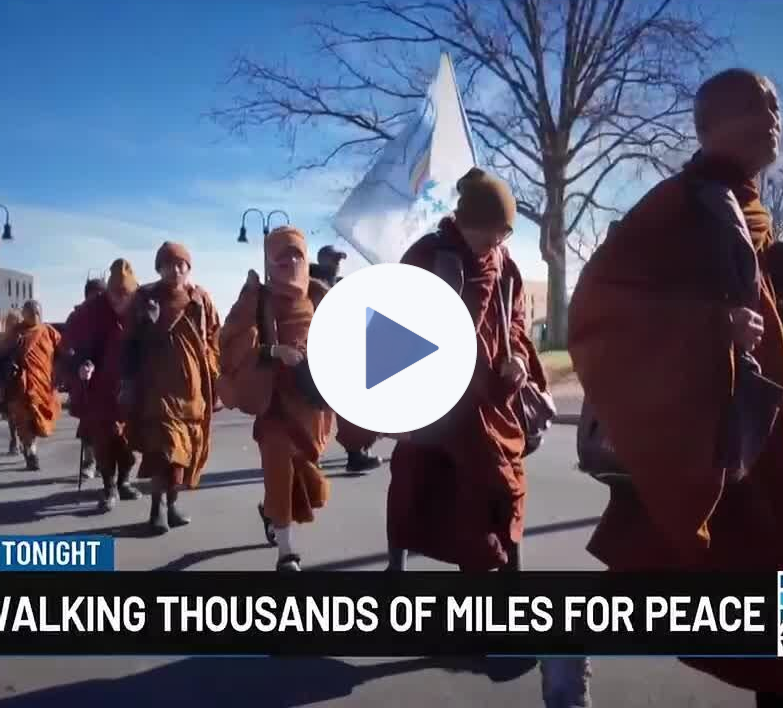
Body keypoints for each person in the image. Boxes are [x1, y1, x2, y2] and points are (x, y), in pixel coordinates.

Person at [567, 68, 783, 708]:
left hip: (768, 427)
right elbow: (598, 308)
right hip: (709, 434)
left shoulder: (750, 208)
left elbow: (753, 297)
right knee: (678, 571)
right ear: (711, 124)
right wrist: (710, 327)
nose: (772, 117)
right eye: (755, 105)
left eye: (776, 105)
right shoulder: (677, 205)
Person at [384, 167, 547, 575]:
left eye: (504, 234)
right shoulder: (428, 256)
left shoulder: (504, 263)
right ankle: (396, 567)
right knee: (416, 488)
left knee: (501, 487)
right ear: (466, 222)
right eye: (491, 232)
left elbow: (515, 322)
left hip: (491, 397)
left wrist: (519, 359)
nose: (497, 242)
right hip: (436, 397)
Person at [220, 226, 333, 571]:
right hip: (274, 403)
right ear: (269, 261)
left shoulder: (321, 295)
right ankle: (286, 553)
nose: (291, 262)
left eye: (297, 255)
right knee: (278, 473)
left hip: (312, 404)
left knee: (313, 488)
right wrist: (274, 351)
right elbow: (231, 343)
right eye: (282, 257)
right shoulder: (258, 298)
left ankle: (270, 512)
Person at [120, 242, 222, 535]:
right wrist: (146, 325)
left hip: (192, 391)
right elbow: (129, 343)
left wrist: (215, 376)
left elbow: (214, 339)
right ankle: (158, 508)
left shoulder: (200, 299)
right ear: (159, 268)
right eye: (168, 265)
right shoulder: (145, 298)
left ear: (189, 268)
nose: (175, 270)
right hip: (157, 388)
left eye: (181, 265)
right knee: (164, 450)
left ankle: (173, 504)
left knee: (186, 451)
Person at [69, 259, 143, 511]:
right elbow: (75, 346)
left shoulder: (142, 308)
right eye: (115, 294)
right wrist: (83, 363)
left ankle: (124, 482)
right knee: (104, 440)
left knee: (129, 443)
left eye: (125, 294)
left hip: (133, 387)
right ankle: (109, 487)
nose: (119, 300)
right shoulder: (92, 312)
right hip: (102, 388)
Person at [309, 244, 380, 473]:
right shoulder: (309, 285)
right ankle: (313, 456)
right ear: (322, 259)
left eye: (339, 259)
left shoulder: (339, 284)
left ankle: (355, 453)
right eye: (334, 259)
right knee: (314, 411)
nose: (338, 263)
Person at [4, 300, 62, 471]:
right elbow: (1, 354)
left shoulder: (49, 332)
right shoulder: (16, 332)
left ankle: (30, 446)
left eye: (37, 313)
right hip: (21, 385)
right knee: (24, 420)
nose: (35, 316)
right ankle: (31, 453)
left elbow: (62, 352)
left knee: (40, 420)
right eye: (31, 313)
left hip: (43, 385)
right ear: (24, 314)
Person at [66, 277, 108, 480]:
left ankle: (105, 463)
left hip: (108, 376)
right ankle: (89, 461)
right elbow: (67, 348)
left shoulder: (113, 314)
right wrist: (79, 366)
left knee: (109, 424)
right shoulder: (77, 317)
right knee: (88, 422)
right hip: (85, 378)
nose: (98, 299)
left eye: (102, 295)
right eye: (94, 295)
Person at [0, 311, 24, 455]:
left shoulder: (25, 337)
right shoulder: (3, 340)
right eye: (11, 321)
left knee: (22, 413)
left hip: (22, 380)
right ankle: (14, 439)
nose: (14, 324)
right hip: (8, 381)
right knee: (11, 413)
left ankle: (23, 440)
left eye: (16, 321)